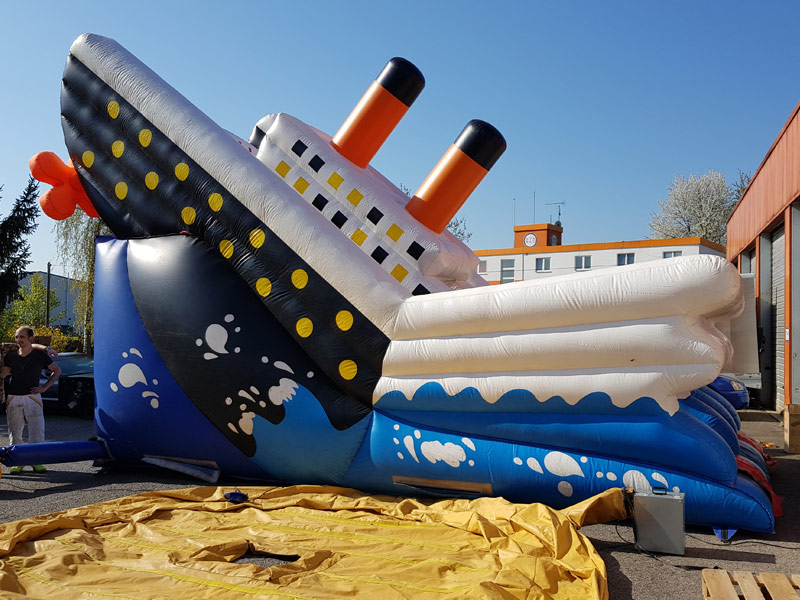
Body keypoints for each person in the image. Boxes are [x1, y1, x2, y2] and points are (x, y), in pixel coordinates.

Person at [0, 326, 61, 474]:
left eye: (22, 337)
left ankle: (37, 461)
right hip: (13, 397)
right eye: (17, 337)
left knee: (36, 430)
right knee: (15, 431)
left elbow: (56, 370)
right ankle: (17, 462)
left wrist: (44, 388)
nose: (18, 340)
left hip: (33, 397)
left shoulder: (39, 356)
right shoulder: (11, 355)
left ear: (30, 338)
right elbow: (4, 374)